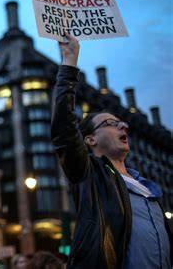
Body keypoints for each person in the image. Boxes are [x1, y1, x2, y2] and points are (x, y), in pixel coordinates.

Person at [51, 33, 172, 269]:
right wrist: (69, 61)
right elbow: (64, 129)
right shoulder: (91, 175)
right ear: (90, 140)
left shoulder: (145, 184)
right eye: (110, 124)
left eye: (121, 123)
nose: (122, 125)